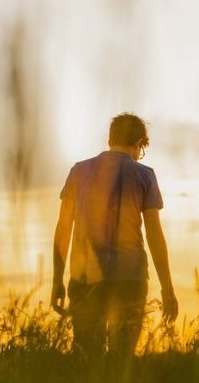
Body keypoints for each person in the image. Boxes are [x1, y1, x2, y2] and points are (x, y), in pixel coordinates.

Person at [51, 112, 178, 356]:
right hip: (130, 278)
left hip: (85, 278)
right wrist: (167, 288)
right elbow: (154, 236)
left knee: (88, 358)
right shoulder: (145, 175)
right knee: (122, 362)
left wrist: (57, 280)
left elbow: (63, 228)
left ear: (110, 139)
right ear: (139, 144)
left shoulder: (78, 171)